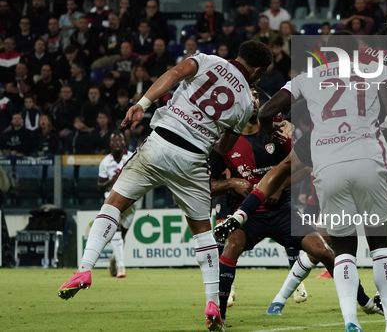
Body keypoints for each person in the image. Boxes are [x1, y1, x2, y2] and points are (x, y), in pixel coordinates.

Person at [57, 40, 274, 332]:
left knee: (114, 205)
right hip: (194, 159)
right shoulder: (247, 102)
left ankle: (84, 269)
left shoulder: (208, 60)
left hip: (160, 143)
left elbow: (173, 74)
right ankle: (212, 303)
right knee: (202, 232)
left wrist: (141, 104)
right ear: (257, 70)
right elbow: (224, 146)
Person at [210, 87, 381, 321]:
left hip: (283, 212)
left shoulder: (278, 132)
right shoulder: (224, 142)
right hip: (248, 214)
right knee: (231, 246)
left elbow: (304, 165)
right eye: (247, 97)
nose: (253, 100)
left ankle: (364, 302)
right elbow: (208, 185)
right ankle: (219, 315)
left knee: (324, 252)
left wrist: (279, 186)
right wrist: (233, 184)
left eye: (257, 95)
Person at [98, 131, 135, 278]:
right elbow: (99, 186)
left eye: (120, 140)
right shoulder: (105, 162)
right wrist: (112, 180)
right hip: (112, 199)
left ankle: (114, 258)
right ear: (110, 144)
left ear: (124, 143)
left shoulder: (132, 157)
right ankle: (121, 267)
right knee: (116, 230)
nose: (117, 143)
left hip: (132, 201)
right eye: (115, 141)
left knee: (122, 236)